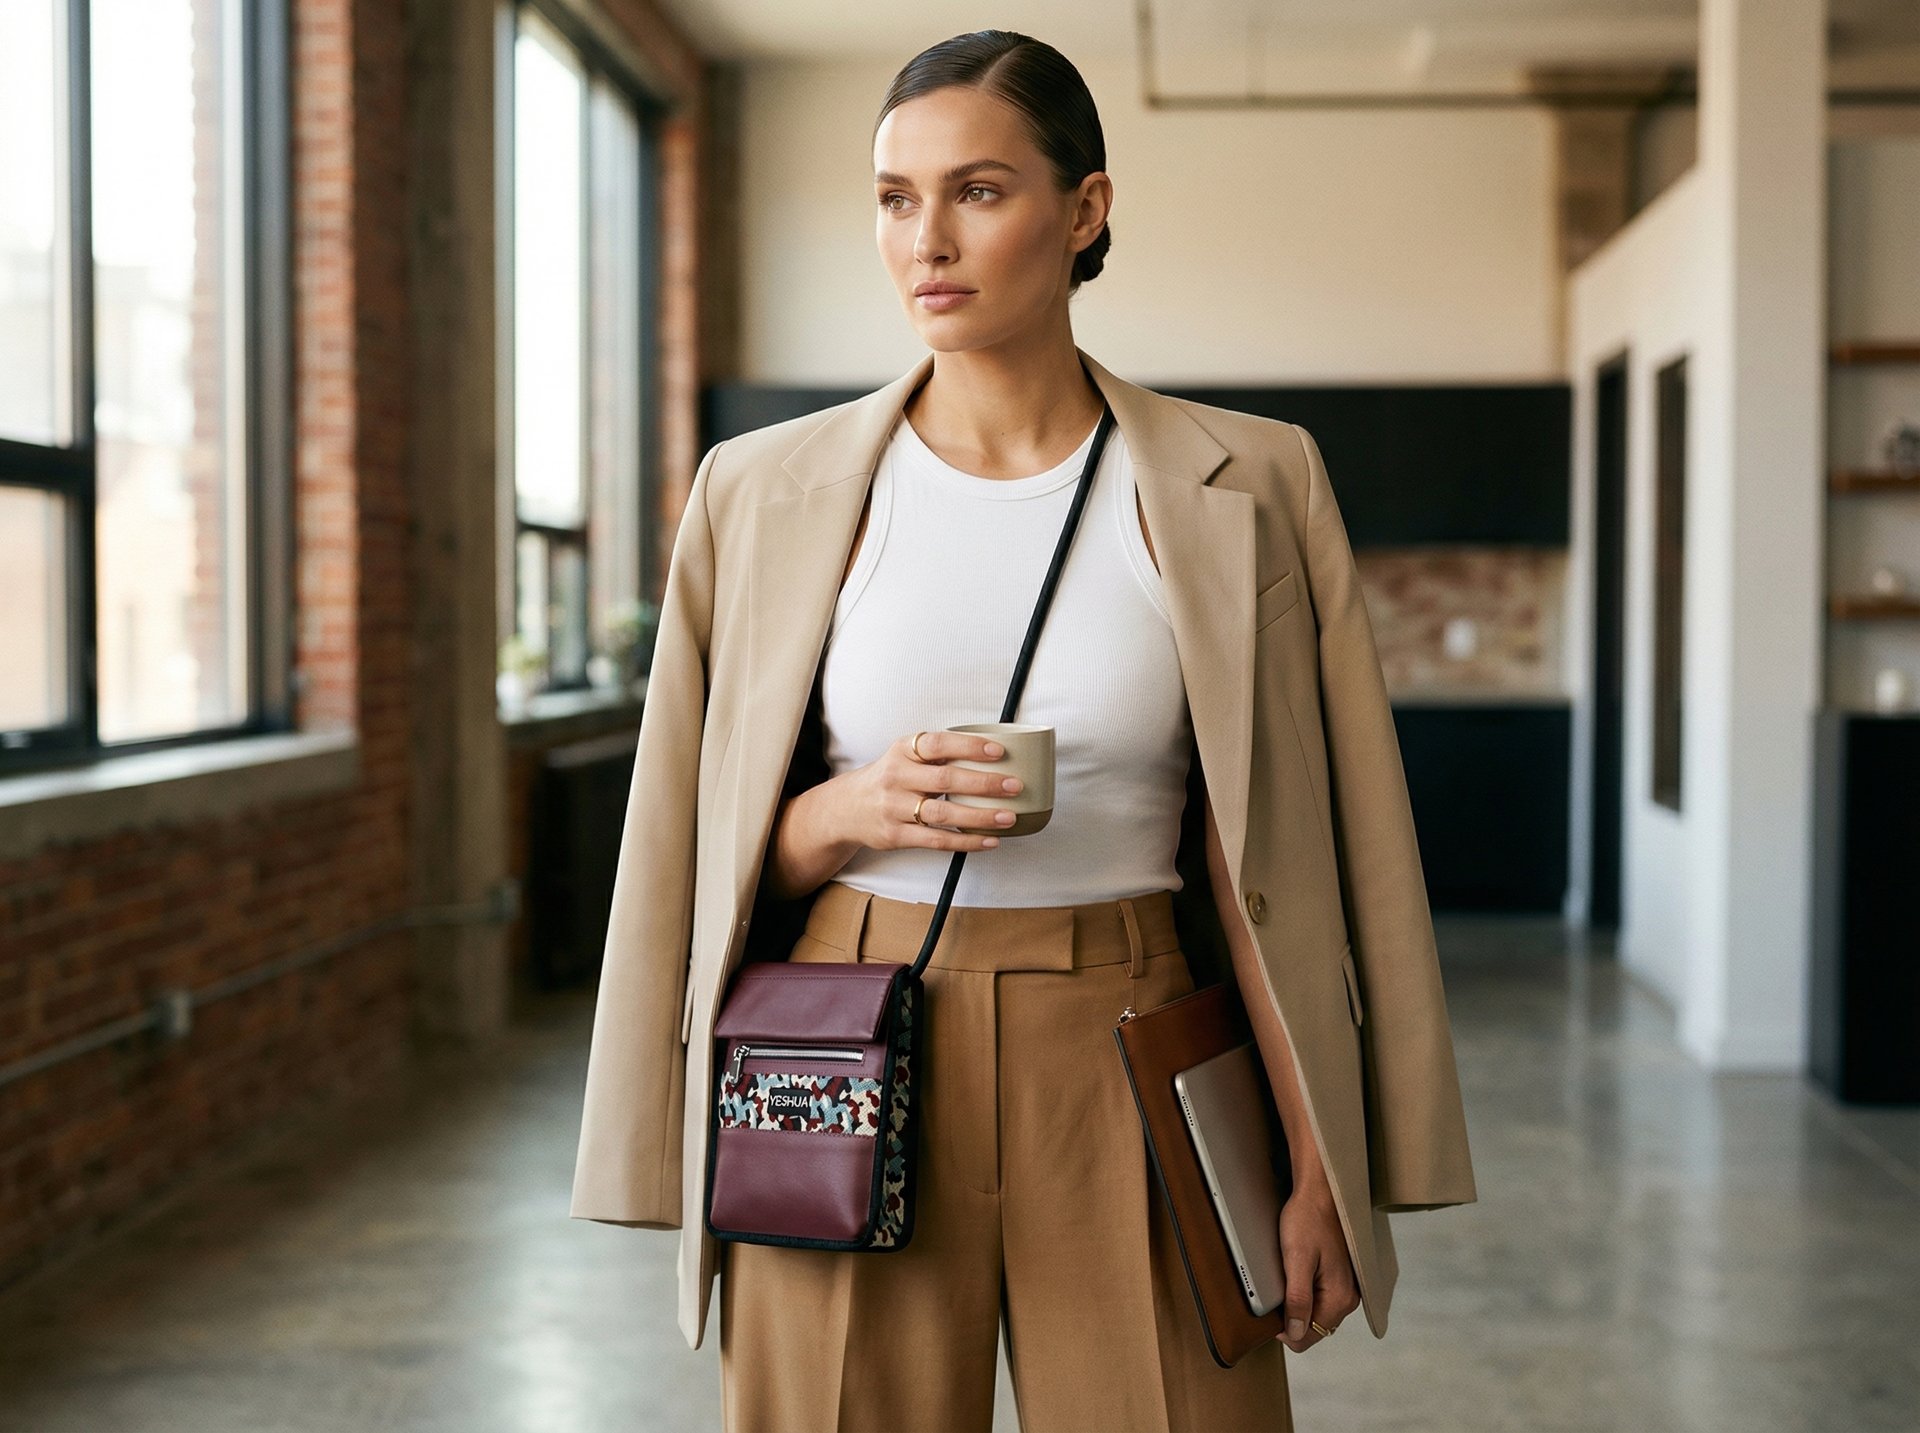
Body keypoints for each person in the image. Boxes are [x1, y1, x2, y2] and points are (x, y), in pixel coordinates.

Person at [570, 28, 1477, 1433]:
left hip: (1136, 1031)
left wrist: (1316, 1160)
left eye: (979, 191)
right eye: (892, 197)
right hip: (850, 1033)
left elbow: (1281, 868)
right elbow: (686, 853)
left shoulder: (1252, 482)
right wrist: (848, 809)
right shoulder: (760, 493)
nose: (925, 238)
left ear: (1086, 210)